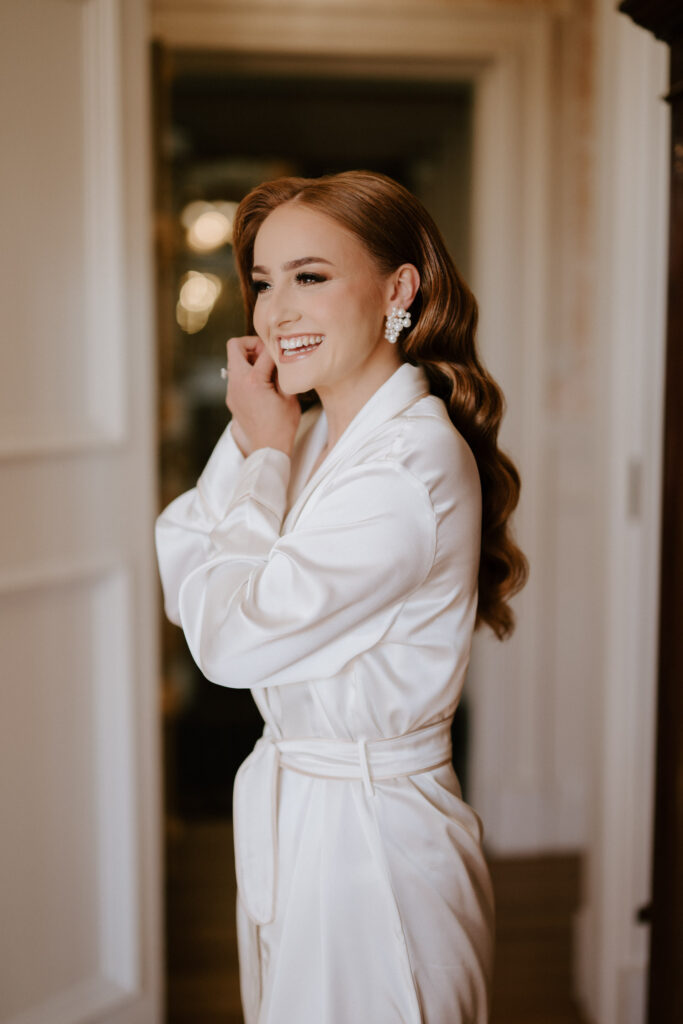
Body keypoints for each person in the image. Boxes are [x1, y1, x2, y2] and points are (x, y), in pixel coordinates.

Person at [155, 170, 527, 1024]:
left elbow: (226, 639)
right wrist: (259, 445)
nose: (274, 312)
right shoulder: (309, 428)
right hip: (301, 819)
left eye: (310, 276)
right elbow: (182, 564)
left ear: (398, 290)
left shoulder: (406, 466)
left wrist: (260, 457)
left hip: (371, 849)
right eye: (263, 282)